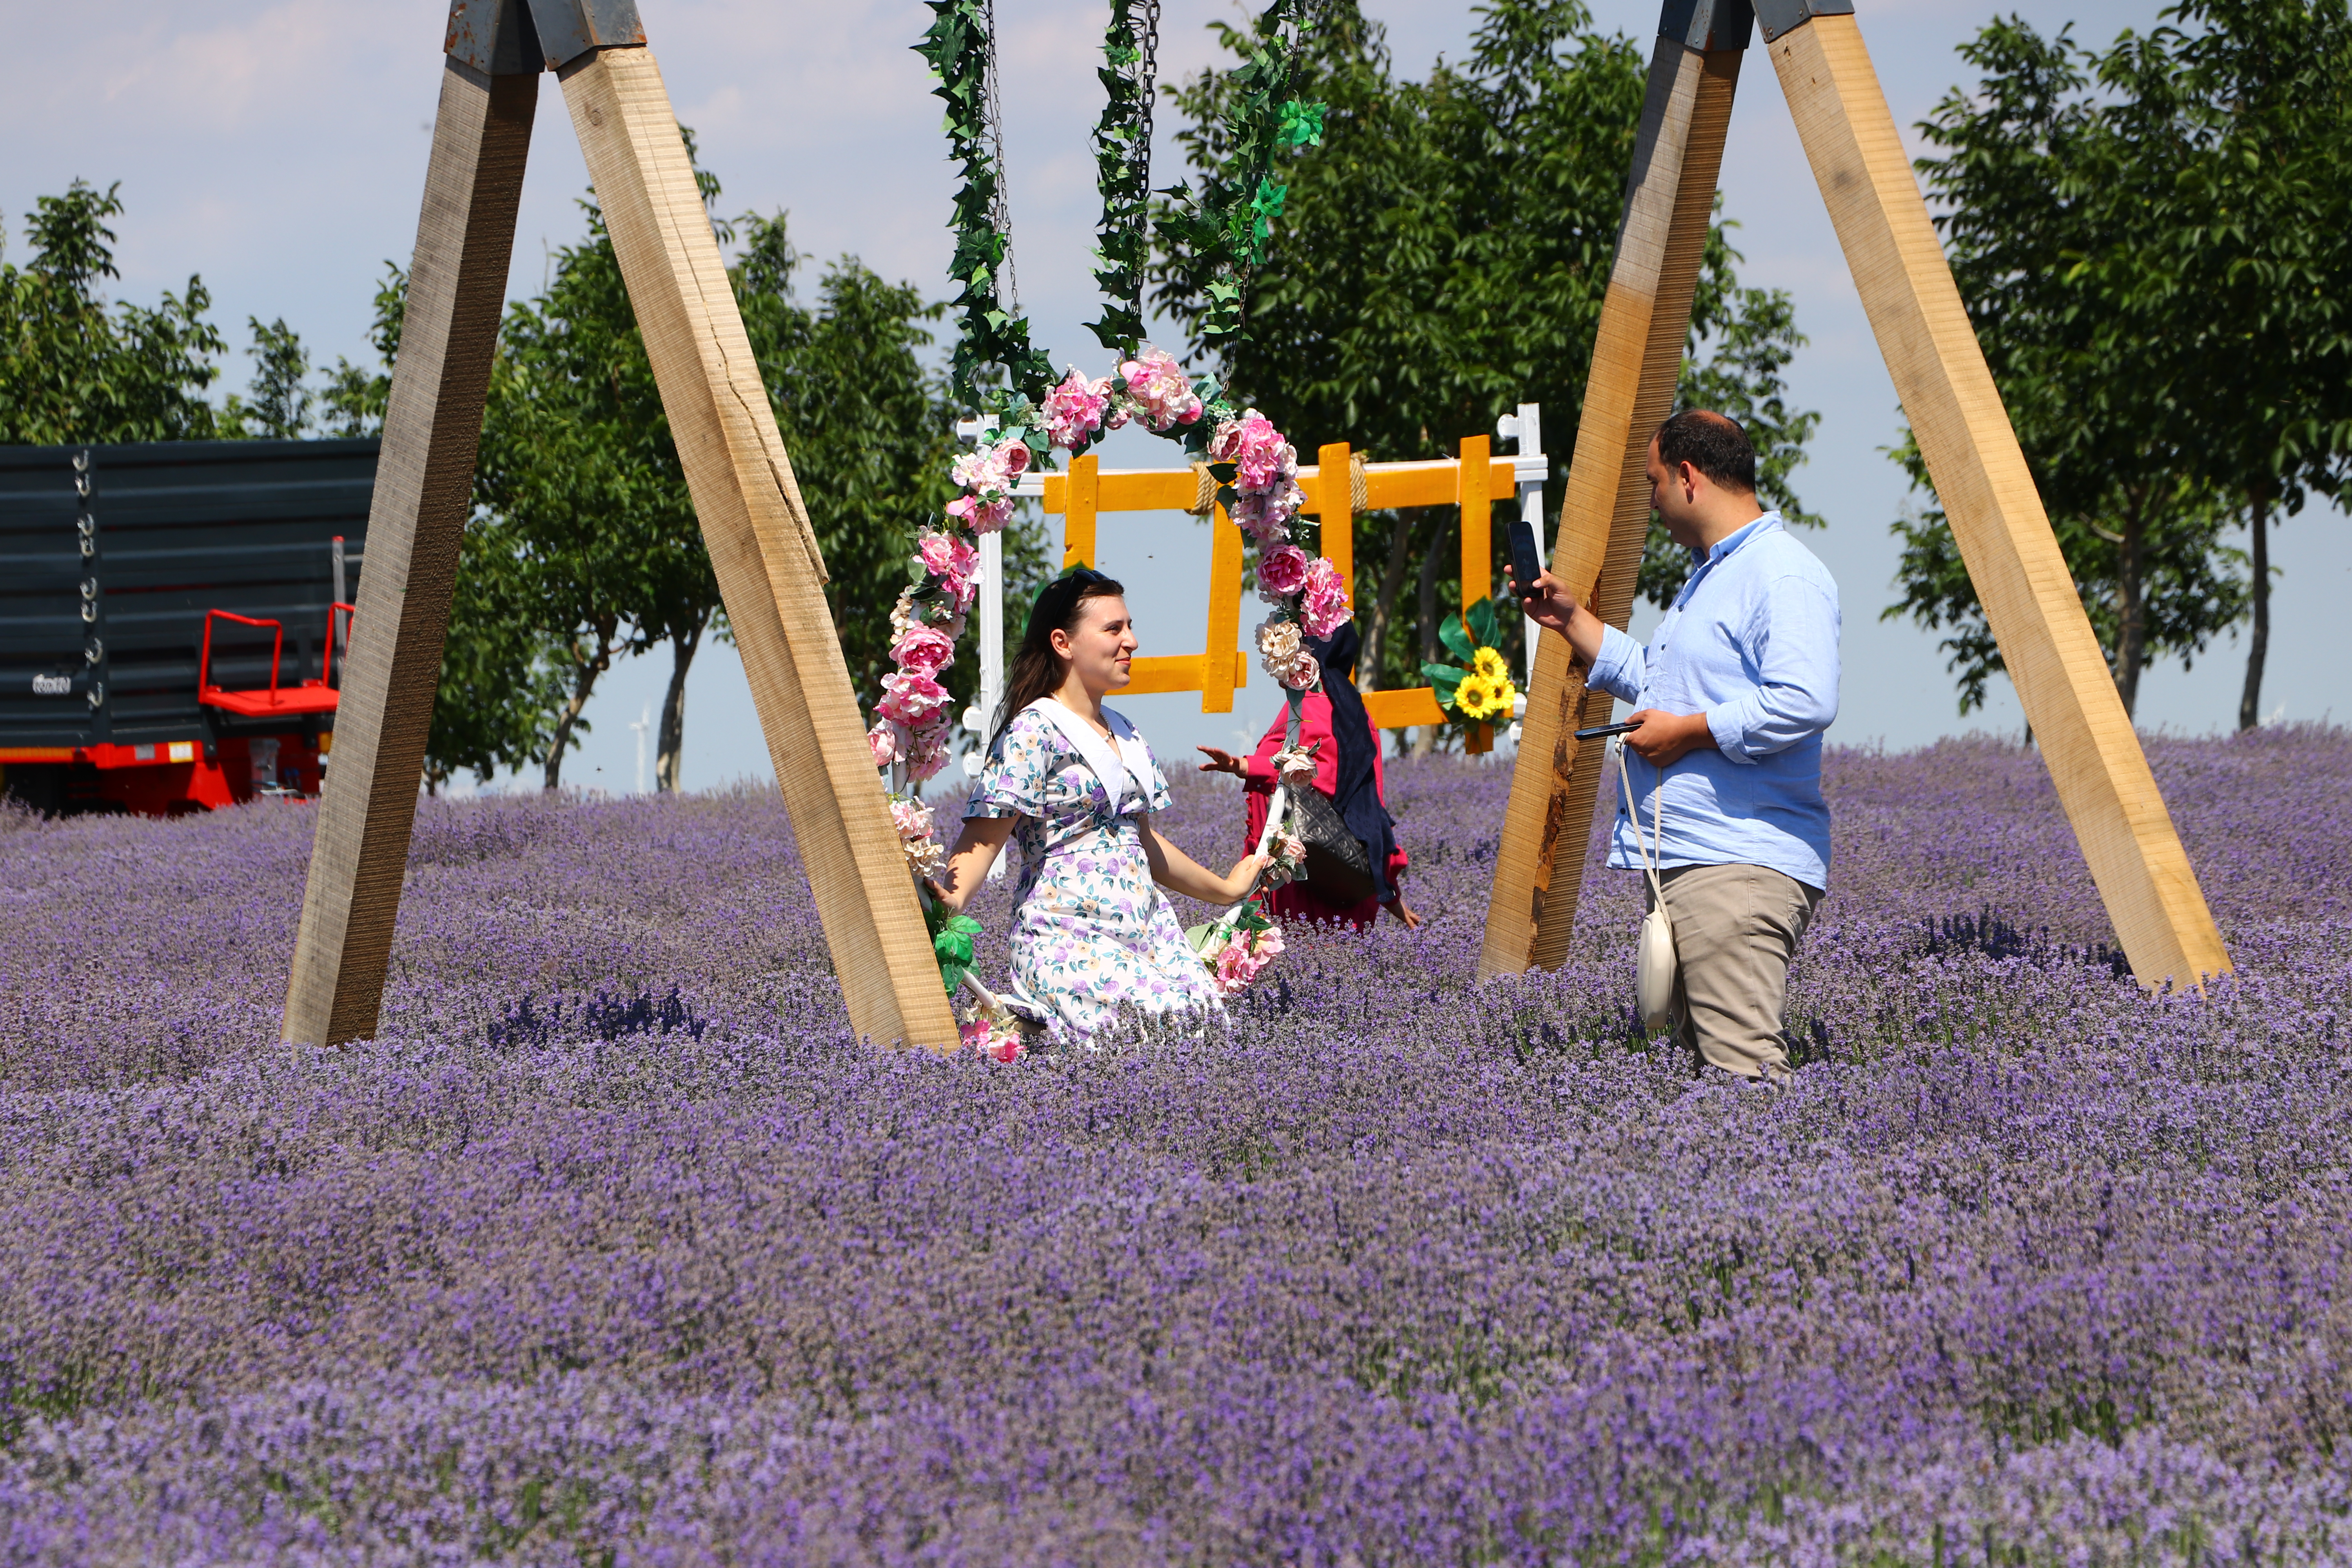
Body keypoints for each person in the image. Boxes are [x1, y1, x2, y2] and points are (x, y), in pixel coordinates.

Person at [1509, 410, 1839, 1080]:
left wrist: (1686, 734)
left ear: (1689, 477)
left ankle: (1794, 1186)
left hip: (1736, 864)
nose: (1653, 500)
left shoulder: (1781, 574)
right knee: (1708, 1079)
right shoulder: (1711, 579)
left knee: (1742, 1076)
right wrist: (1571, 620)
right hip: (1696, 859)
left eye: (1655, 482)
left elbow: (1805, 701)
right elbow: (1667, 688)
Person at [930, 567, 1267, 1045]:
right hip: (1067, 938)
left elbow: (1141, 843)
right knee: (1154, 1033)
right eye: (1114, 629)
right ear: (1063, 643)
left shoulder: (1126, 732)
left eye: (1129, 626)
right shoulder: (1033, 731)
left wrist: (1226, 891)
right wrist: (951, 900)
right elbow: (985, 838)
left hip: (1148, 932)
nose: (1131, 641)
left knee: (1205, 1030)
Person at [1196, 624, 1420, 930]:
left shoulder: (1315, 709)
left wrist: (1243, 766)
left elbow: (1312, 773)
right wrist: (1389, 892)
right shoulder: (1353, 713)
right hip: (1345, 882)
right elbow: (1370, 810)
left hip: (1303, 882)